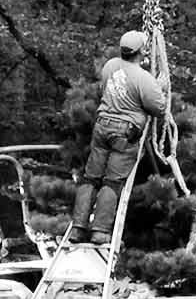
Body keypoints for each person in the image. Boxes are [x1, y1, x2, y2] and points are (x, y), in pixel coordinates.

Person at [70, 30, 168, 245]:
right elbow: (158, 109)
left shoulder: (110, 66)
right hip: (125, 132)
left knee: (90, 178)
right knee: (112, 182)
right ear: (141, 52)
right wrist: (159, 87)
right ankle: (100, 231)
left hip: (102, 127)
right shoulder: (143, 79)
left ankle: (77, 229)